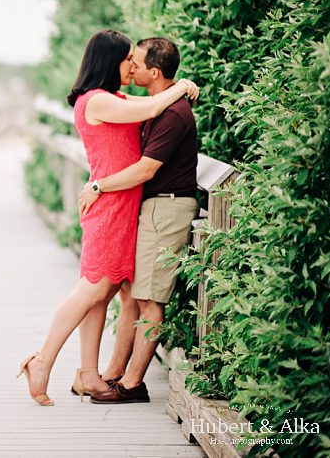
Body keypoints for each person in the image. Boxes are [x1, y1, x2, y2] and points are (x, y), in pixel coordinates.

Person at [18, 29, 198, 406]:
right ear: (110, 61)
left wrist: (178, 87)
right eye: (127, 58)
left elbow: (153, 102)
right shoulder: (96, 101)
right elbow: (151, 108)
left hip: (124, 204)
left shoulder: (114, 98)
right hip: (110, 204)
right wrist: (182, 85)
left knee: (104, 293)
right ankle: (42, 360)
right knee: (92, 289)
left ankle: (88, 373)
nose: (131, 65)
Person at [76, 37, 199, 404]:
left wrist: (98, 185)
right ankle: (113, 373)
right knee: (132, 294)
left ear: (154, 72)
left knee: (149, 299)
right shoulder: (155, 105)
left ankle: (131, 384)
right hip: (153, 207)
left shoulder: (173, 113)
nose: (131, 67)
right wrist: (182, 85)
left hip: (166, 208)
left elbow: (145, 169)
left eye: (137, 63)